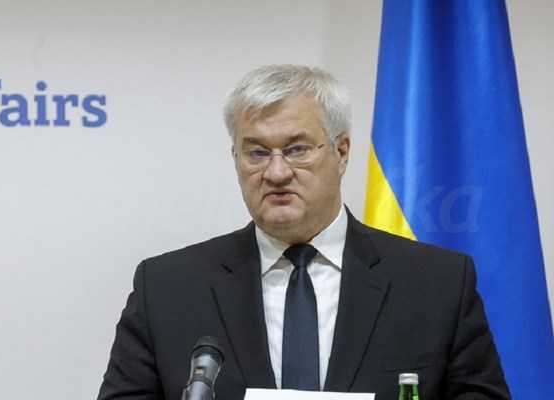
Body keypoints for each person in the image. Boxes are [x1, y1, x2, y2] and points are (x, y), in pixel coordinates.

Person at [97, 65, 510, 400]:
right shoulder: (167, 288)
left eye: (297, 150)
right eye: (257, 152)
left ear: (341, 152)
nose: (276, 172)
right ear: (235, 158)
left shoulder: (436, 283)